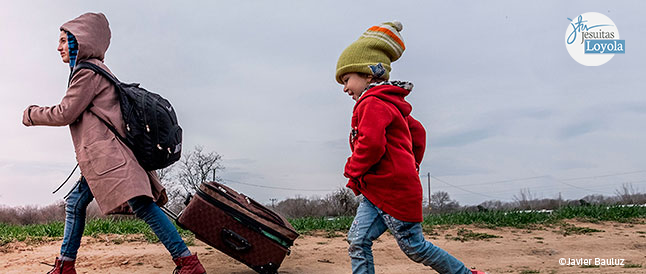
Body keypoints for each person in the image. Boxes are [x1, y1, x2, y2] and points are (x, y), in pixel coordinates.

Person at [21, 12, 206, 274]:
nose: (58, 47)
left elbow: (66, 112)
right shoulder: (95, 70)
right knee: (75, 202)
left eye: (64, 40)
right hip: (102, 157)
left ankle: (188, 262)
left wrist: (30, 114)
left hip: (109, 158)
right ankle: (65, 265)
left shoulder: (87, 72)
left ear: (80, 42)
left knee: (143, 205)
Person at [336, 21, 486, 274]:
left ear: (369, 74)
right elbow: (418, 133)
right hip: (377, 191)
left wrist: (352, 168)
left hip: (394, 191)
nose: (344, 88)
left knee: (414, 246)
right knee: (358, 240)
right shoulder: (391, 103)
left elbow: (371, 145)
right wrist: (410, 164)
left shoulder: (371, 103)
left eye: (347, 78)